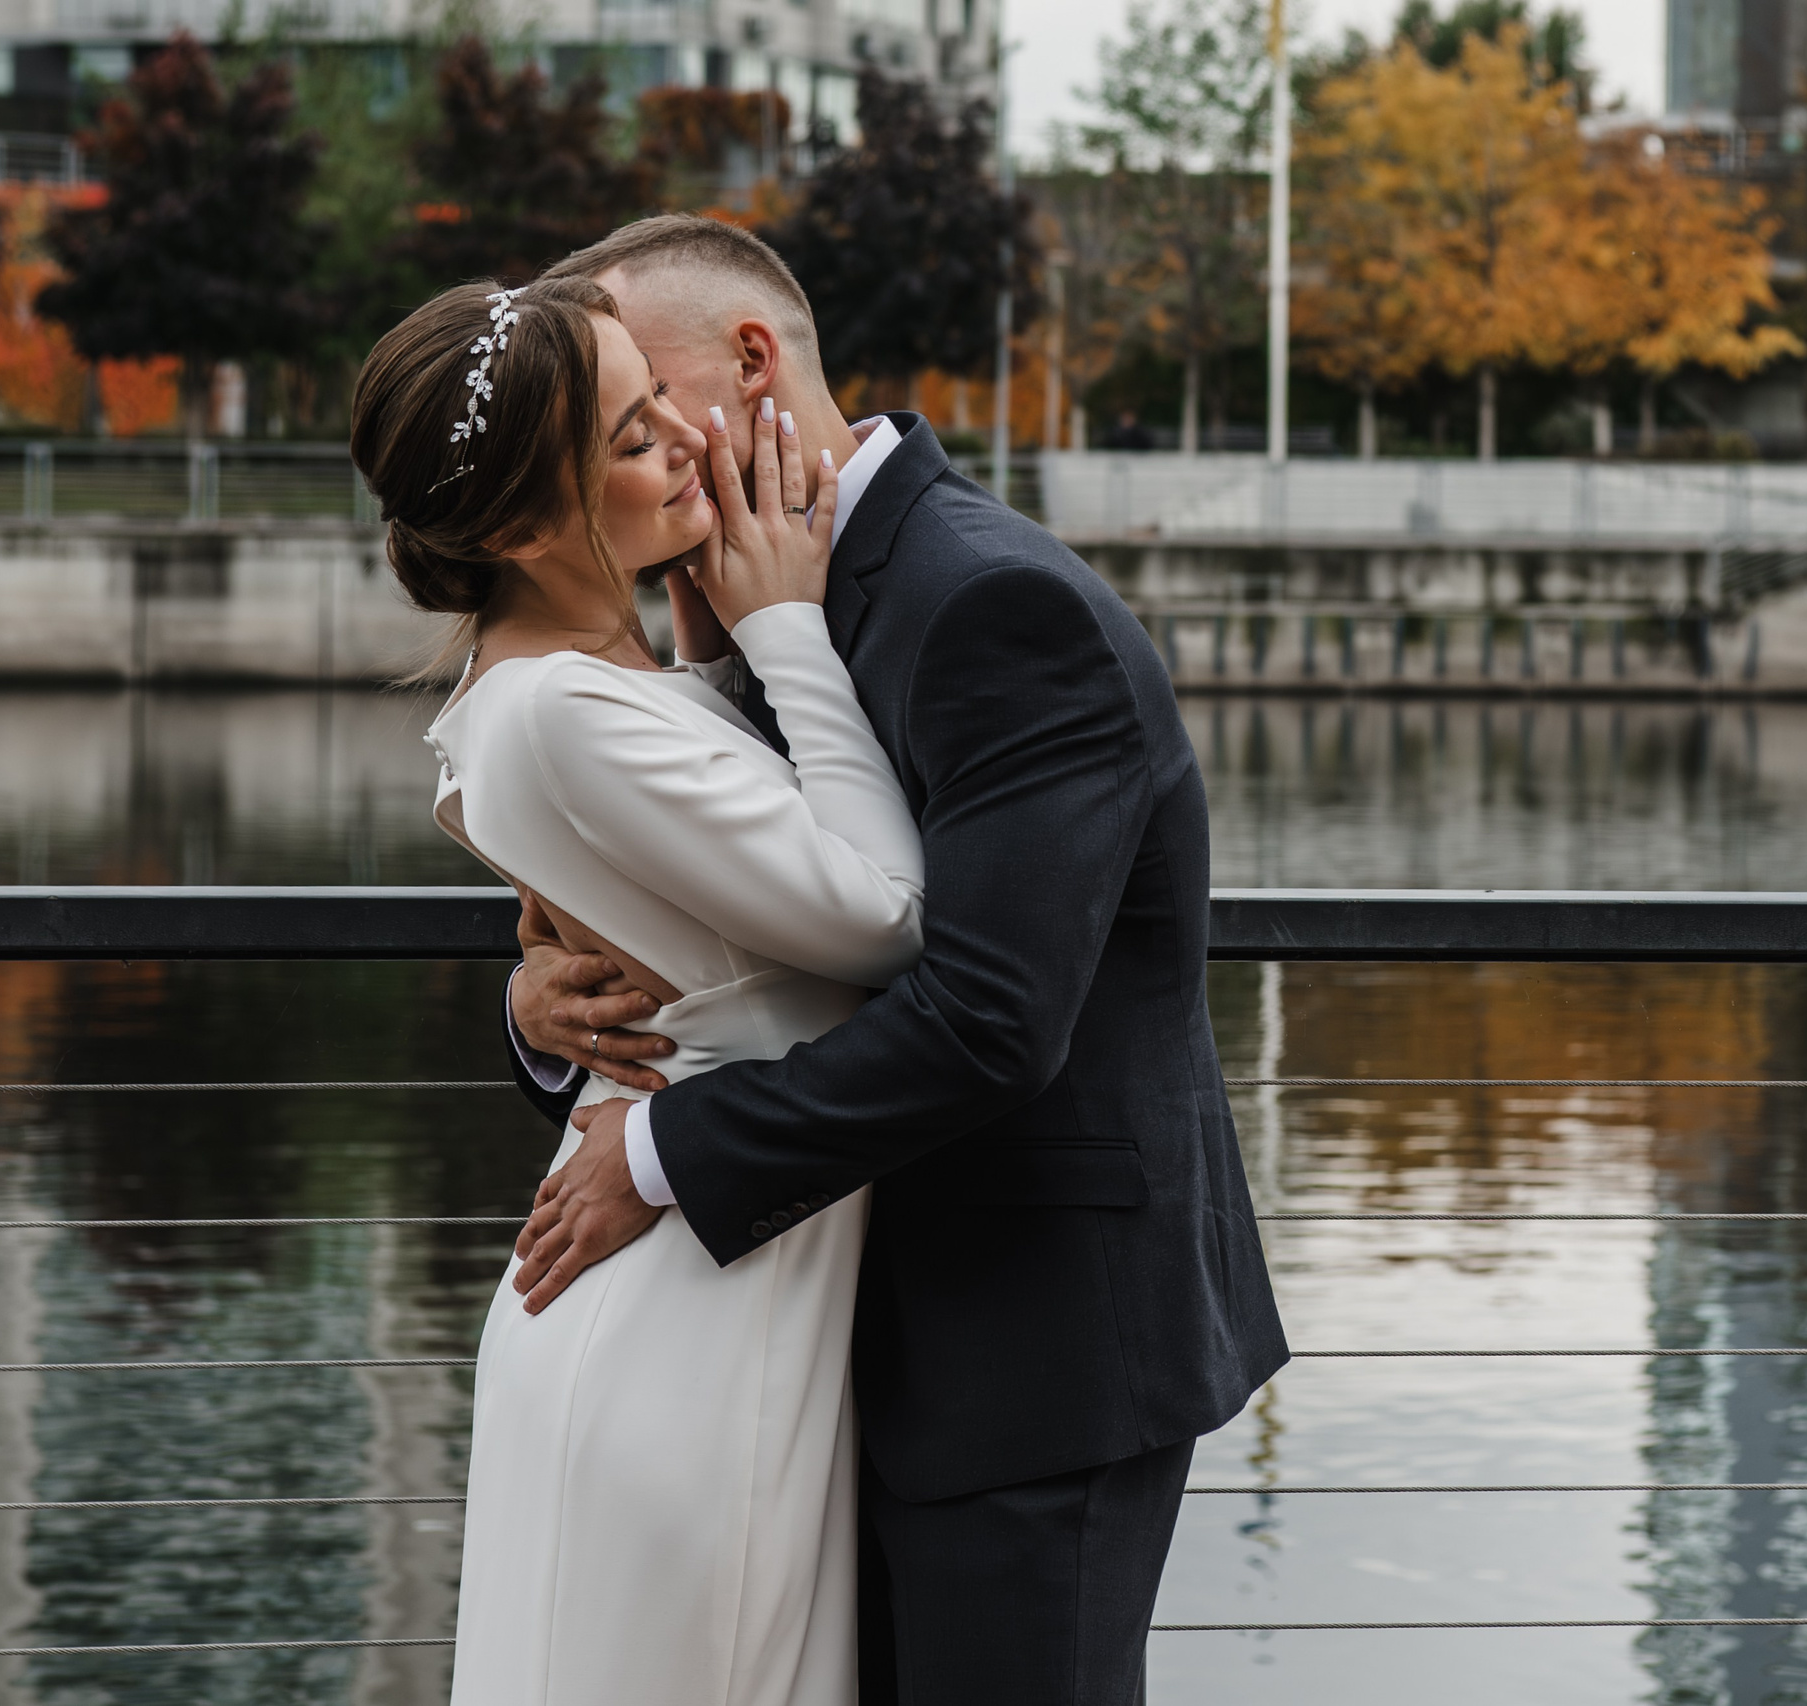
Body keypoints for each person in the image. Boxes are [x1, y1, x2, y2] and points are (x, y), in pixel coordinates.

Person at [498, 217, 1287, 1703]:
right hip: (819, 1334)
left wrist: (658, 1151)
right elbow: (726, 923)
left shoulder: (990, 599)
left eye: (643, 402)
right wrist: (548, 1008)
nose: (626, 453)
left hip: (1024, 1345)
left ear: (751, 361)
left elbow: (992, 1015)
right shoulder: (736, 595)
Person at [355, 274, 921, 1704]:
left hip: (717, 1273)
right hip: (685, 1322)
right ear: (516, 530)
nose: (683, 436)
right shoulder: (559, 707)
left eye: (658, 394)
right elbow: (886, 918)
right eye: (628, 435)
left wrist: (717, 635)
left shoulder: (579, 684)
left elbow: (681, 897)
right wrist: (788, 624)